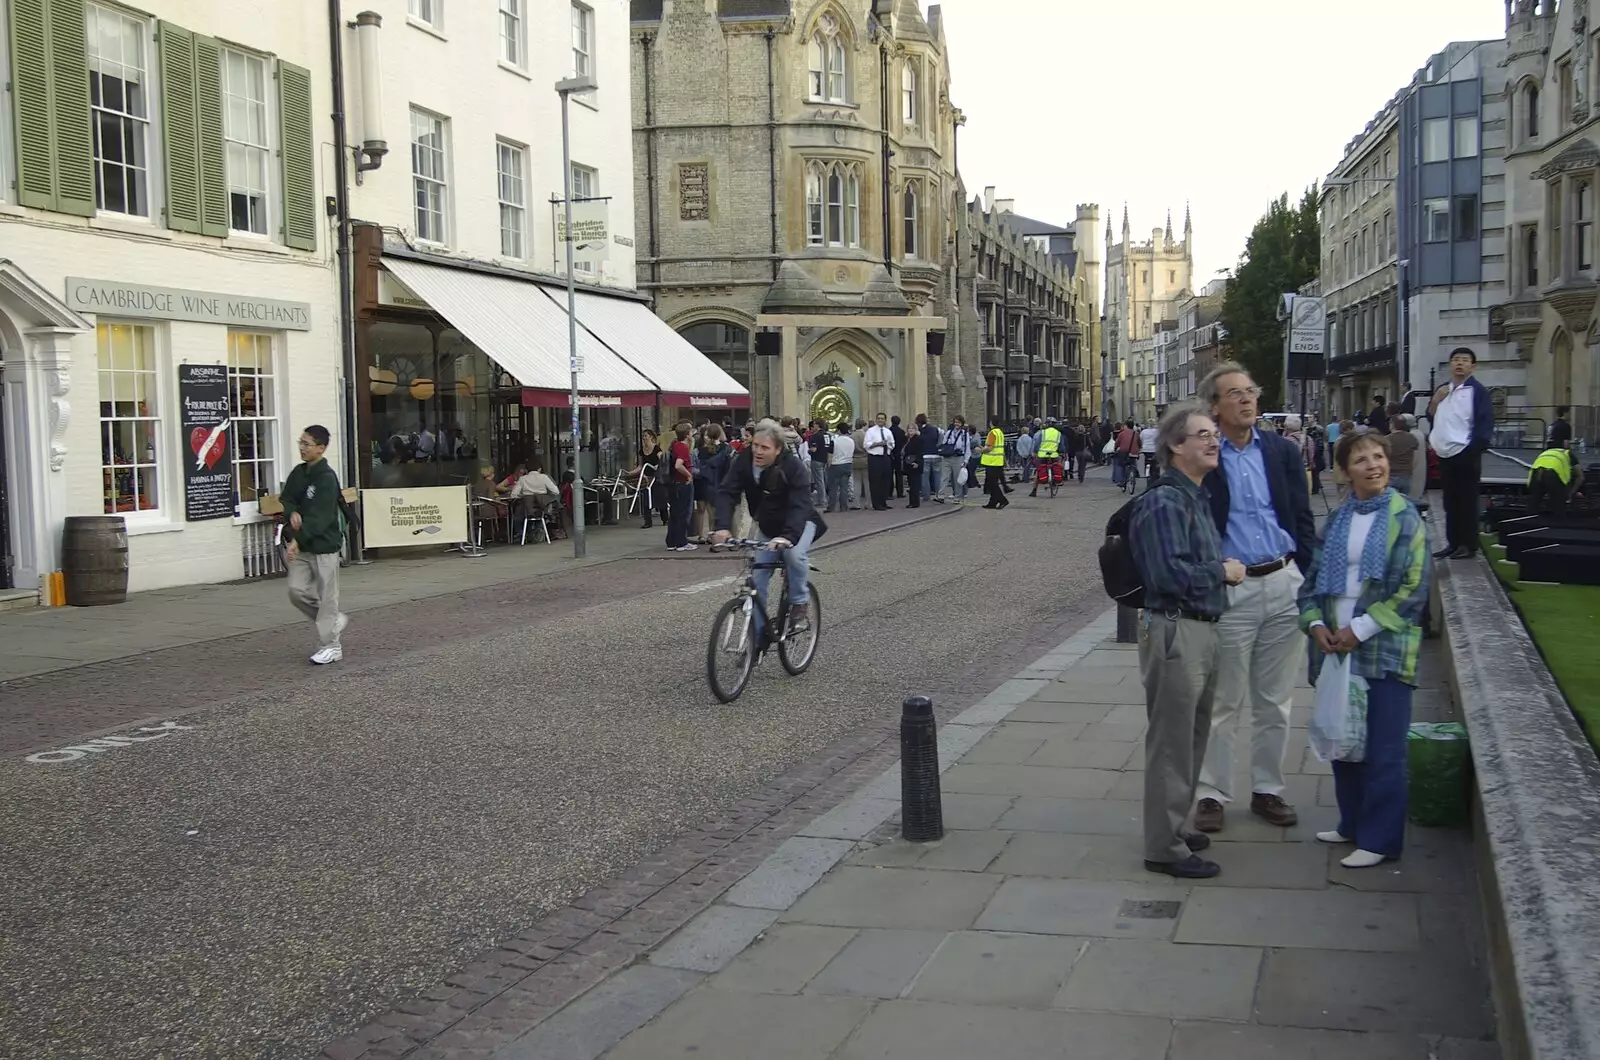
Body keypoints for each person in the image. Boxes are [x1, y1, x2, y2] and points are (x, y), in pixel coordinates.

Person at [1193, 363, 1316, 834]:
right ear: (1215, 406)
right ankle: (1211, 794)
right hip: (1234, 589)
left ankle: (1269, 790)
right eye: (1235, 394)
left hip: (1283, 581)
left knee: (1275, 700)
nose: (1246, 400)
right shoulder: (1205, 454)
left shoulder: (1282, 451)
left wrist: (1305, 572)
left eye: (1251, 391)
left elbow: (1301, 515)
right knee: (1223, 700)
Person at [1300, 430, 1430, 868]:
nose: (1373, 465)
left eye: (1378, 457)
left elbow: (1414, 587)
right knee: (1344, 738)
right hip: (1335, 647)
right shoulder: (1337, 520)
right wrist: (1316, 622)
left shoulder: (1404, 516)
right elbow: (1312, 581)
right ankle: (1351, 823)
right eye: (1361, 460)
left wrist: (1361, 627)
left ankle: (1379, 838)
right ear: (1344, 470)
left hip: (1384, 646)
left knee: (1384, 747)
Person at [1129, 404, 1248, 879]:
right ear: (1176, 445)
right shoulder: (1165, 502)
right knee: (1172, 744)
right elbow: (1167, 573)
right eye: (1202, 434)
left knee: (1193, 737)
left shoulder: (1195, 497)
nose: (1214, 441)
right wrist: (1221, 571)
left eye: (1215, 433)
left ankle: (1174, 826)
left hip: (1201, 626)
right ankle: (1163, 848)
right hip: (1177, 629)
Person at [713, 419, 827, 641]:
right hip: (767, 525)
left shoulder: (793, 467)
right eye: (755, 445)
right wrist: (722, 527)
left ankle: (799, 602)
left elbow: (800, 505)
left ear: (778, 449)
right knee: (757, 578)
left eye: (764, 448)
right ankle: (757, 638)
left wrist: (787, 536)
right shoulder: (744, 460)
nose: (757, 451)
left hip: (800, 523)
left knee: (793, 555)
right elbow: (727, 492)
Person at [281, 425, 349, 665]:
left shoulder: (327, 478)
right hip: (302, 546)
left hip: (324, 546)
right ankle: (331, 621)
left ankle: (332, 646)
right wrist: (291, 513)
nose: (301, 447)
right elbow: (287, 497)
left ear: (321, 448)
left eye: (307, 443)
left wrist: (296, 542)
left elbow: (320, 518)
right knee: (296, 592)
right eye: (301, 442)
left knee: (327, 598)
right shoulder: (299, 473)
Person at [1427, 347, 1495, 560]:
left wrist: (1474, 448)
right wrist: (1436, 400)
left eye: (1464, 360)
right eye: (1456, 360)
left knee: (1467, 500)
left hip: (1465, 452)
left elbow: (1485, 422)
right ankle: (1453, 542)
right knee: (1450, 500)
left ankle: (1468, 544)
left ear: (1472, 366)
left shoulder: (1478, 391)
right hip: (1445, 453)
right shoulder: (1443, 389)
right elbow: (1431, 415)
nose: (1459, 364)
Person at [693, 424, 730, 543]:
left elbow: (702, 469)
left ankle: (712, 536)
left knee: (711, 513)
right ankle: (720, 537)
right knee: (722, 513)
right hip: (722, 484)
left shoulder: (702, 451)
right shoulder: (726, 449)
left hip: (708, 484)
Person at [664, 422, 696, 551]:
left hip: (674, 484)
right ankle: (681, 542)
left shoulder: (675, 445)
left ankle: (671, 541)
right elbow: (678, 465)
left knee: (674, 513)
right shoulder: (683, 447)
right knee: (683, 513)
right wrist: (688, 475)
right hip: (683, 484)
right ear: (687, 434)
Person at [1527, 442, 1583, 512]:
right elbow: (1580, 476)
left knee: (1535, 500)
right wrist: (1571, 493)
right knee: (1558, 504)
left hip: (1535, 473)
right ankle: (1557, 519)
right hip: (1552, 474)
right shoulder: (1567, 453)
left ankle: (1529, 519)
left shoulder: (1546, 453)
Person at [935, 416, 971, 503]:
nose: (956, 424)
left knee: (957, 479)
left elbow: (967, 448)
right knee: (944, 477)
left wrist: (966, 460)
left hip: (958, 458)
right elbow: (943, 444)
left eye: (958, 422)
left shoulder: (964, 434)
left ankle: (957, 497)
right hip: (947, 458)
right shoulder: (949, 433)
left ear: (962, 423)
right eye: (955, 422)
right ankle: (941, 495)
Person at [865, 412, 896, 511]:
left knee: (886, 480)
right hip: (875, 458)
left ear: (885, 420)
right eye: (878, 418)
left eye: (882, 418)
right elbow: (866, 445)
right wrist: (878, 444)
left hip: (885, 457)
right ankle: (876, 504)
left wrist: (888, 445)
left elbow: (892, 444)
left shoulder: (888, 432)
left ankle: (883, 502)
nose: (880, 420)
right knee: (875, 481)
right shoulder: (870, 431)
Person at [1385, 415, 1421, 497]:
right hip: (1406, 475)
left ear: (1392, 424)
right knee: (1404, 501)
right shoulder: (1412, 438)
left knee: (1391, 502)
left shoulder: (1387, 439)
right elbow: (1416, 458)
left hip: (1391, 475)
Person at [979, 418, 1009, 510]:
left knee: (992, 484)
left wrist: (981, 450)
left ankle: (1002, 500)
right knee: (992, 483)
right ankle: (993, 502)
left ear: (991, 423)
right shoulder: (999, 432)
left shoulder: (992, 433)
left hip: (992, 461)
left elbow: (990, 448)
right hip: (998, 461)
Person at [1029, 418, 1063, 497]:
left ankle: (1034, 490)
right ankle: (1057, 480)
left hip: (1042, 454)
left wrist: (1036, 452)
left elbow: (1037, 444)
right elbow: (1061, 446)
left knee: (1039, 470)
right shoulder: (1058, 433)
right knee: (1057, 466)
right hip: (1054, 454)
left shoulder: (1043, 433)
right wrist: (1061, 452)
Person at [826, 421, 854, 513]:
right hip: (848, 464)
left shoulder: (835, 441)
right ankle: (843, 507)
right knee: (844, 487)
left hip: (836, 464)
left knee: (833, 487)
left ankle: (831, 507)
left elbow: (830, 452)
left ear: (839, 430)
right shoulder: (851, 441)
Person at [806, 418, 831, 508]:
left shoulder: (815, 436)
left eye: (815, 424)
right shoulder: (827, 435)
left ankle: (823, 501)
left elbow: (814, 449)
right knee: (823, 480)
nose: (814, 426)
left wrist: (809, 451)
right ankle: (824, 499)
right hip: (825, 458)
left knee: (819, 481)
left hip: (816, 459)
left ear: (818, 425)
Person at [901, 418, 924, 509]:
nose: (910, 430)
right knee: (911, 484)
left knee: (915, 484)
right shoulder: (907, 439)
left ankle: (914, 502)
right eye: (909, 429)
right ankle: (912, 501)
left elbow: (920, 452)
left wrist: (917, 462)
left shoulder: (918, 439)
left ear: (916, 430)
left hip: (915, 463)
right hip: (908, 463)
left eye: (912, 429)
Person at [889, 414, 908, 499]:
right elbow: (905, 443)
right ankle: (900, 492)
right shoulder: (902, 432)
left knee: (889, 474)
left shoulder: (888, 431)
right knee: (899, 474)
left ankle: (889, 493)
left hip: (890, 454)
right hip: (898, 454)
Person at [1015, 424, 1036, 489]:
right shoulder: (1029, 439)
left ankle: (1024, 478)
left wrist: (1020, 453)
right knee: (1028, 467)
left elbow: (1018, 447)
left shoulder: (1019, 439)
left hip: (1022, 454)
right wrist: (1031, 453)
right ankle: (1026, 478)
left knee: (1024, 466)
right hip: (1028, 454)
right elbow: (1031, 447)